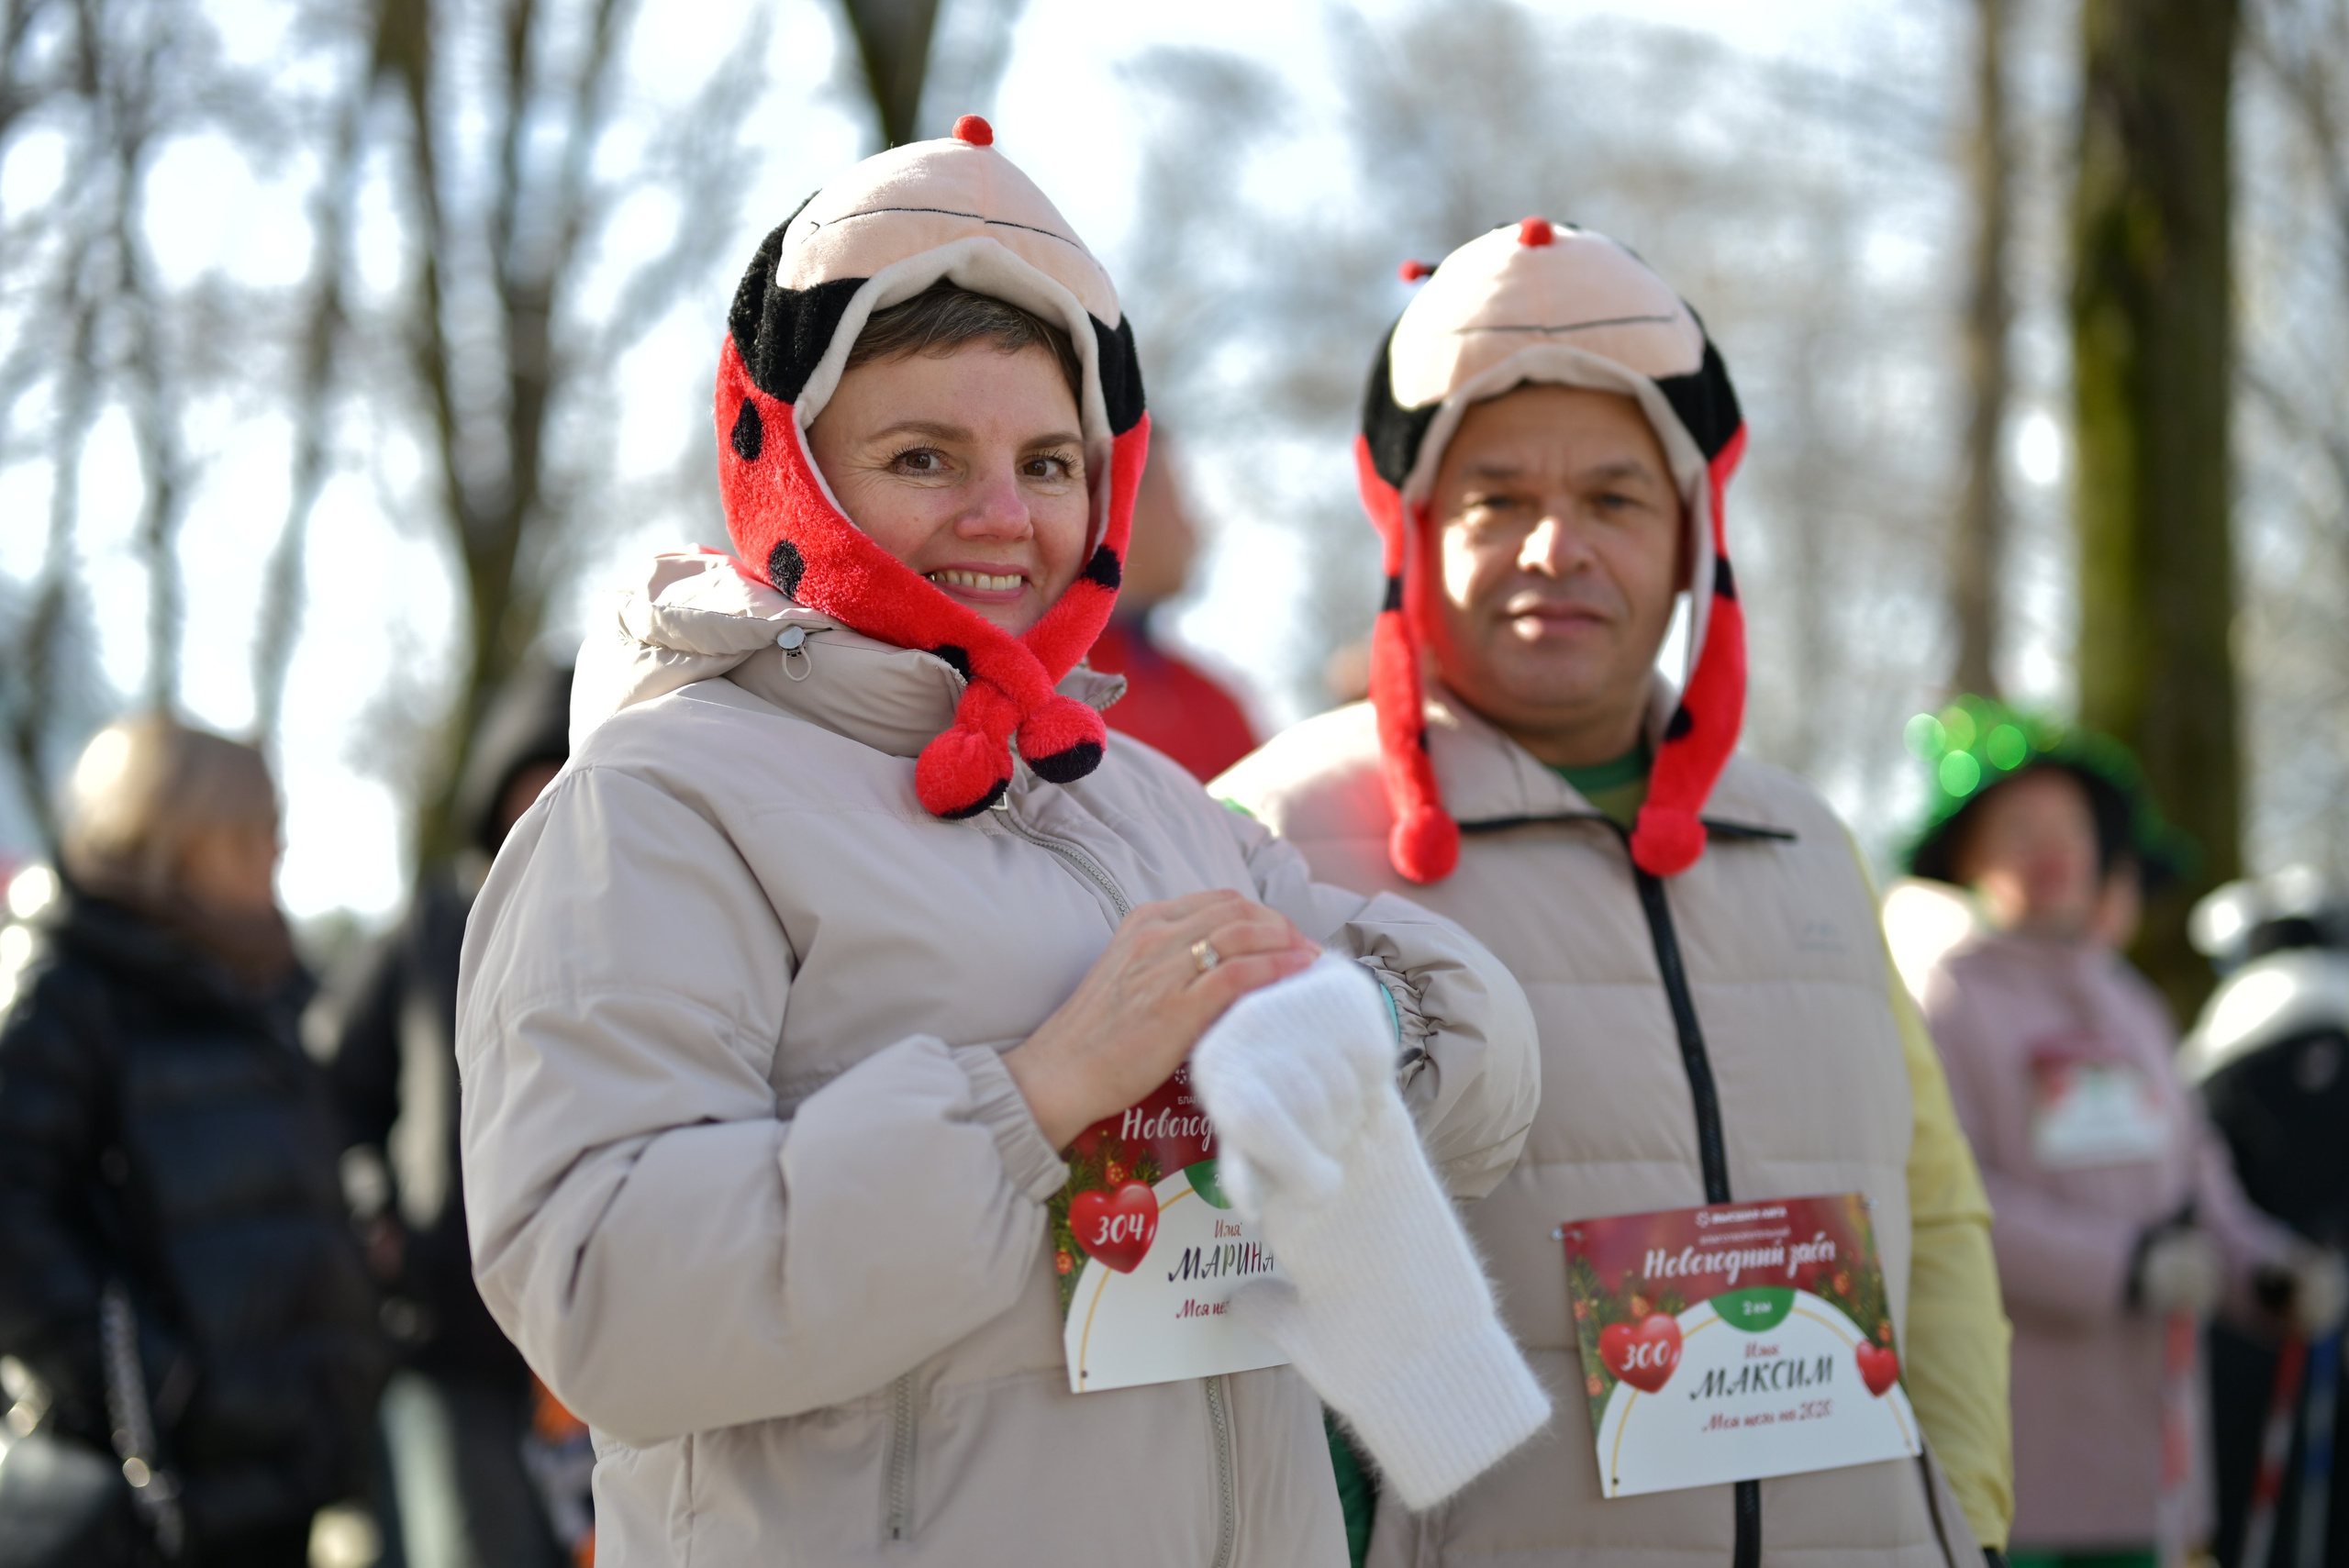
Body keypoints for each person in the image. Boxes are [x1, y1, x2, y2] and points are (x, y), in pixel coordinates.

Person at [454, 119, 1542, 1566]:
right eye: (924, 456)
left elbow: (1484, 1076)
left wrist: (1365, 1022)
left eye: (1047, 460)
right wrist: (1027, 1099)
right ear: (796, 471)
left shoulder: (1142, 797)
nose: (1002, 517)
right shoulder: (653, 806)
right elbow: (606, 1301)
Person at [1217, 219, 2015, 1565]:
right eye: (1498, 499)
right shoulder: (1266, 835)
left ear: (1693, 535)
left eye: (1614, 497)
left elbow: (1934, 1214)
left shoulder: (1807, 836)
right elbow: (1208, 1303)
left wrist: (1970, 1524)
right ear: (1412, 528)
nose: (1554, 547)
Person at [1902, 697, 2346, 1568]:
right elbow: (1950, 1200)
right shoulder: (1944, 1003)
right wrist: (2123, 1263)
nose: (2050, 847)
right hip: (2015, 1450)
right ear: (1967, 854)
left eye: (2069, 825)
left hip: (2154, 1458)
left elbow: (2198, 1184)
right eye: (2018, 826)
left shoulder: (2132, 1005)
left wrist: (2265, 1269)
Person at [0, 717, 388, 1564]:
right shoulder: (62, 983)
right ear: (176, 840)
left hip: (279, 1459)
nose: (276, 852)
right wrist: (150, 1384)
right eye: (255, 832)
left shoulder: (263, 979)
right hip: (144, 1486)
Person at [314, 660, 573, 1568]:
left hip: (593, 1339)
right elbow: (327, 1085)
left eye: (571, 780)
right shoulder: (434, 923)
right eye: (528, 785)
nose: (545, 805)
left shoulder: (636, 920)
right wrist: (370, 1203)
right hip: (444, 1333)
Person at [1083, 433, 1259, 781]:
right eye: (1178, 500)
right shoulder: (1034, 693)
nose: (1189, 529)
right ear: (1119, 509)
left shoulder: (1210, 702)